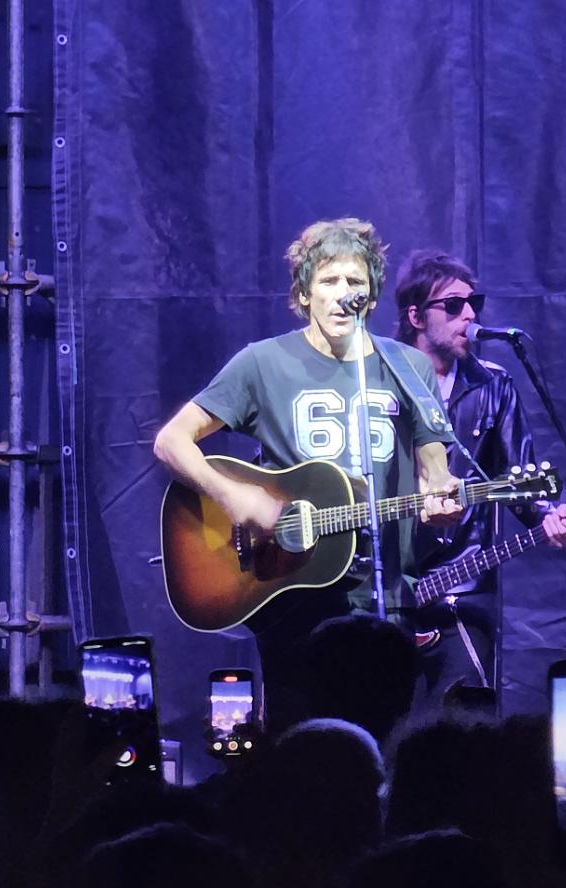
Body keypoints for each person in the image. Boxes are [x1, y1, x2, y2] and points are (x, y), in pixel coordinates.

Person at [154, 219, 463, 734]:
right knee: (305, 750)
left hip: (386, 604)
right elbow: (172, 441)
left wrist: (443, 500)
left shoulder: (408, 366)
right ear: (303, 292)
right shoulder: (262, 363)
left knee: (386, 748)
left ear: (373, 291)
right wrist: (234, 496)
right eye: (330, 281)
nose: (345, 294)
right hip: (292, 594)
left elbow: (437, 472)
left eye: (356, 282)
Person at [394, 250, 566, 700]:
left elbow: (519, 480)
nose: (470, 315)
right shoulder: (382, 383)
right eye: (453, 305)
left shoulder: (493, 385)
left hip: (463, 584)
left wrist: (546, 517)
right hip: (388, 588)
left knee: (466, 731)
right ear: (416, 316)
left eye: (473, 302)